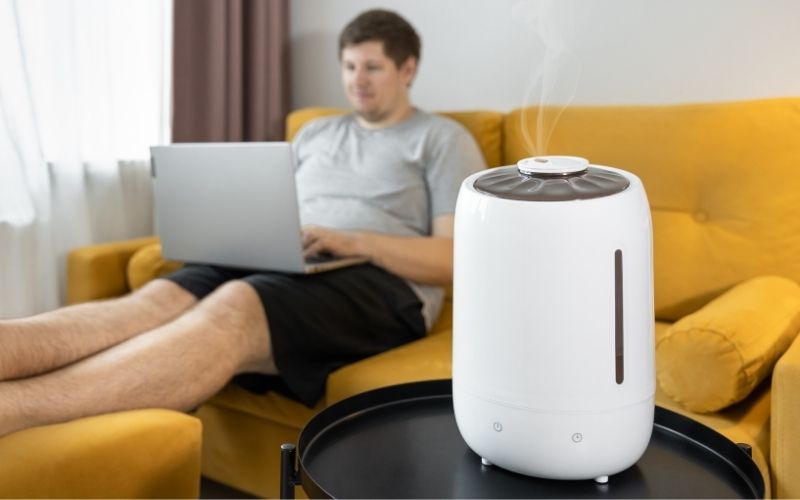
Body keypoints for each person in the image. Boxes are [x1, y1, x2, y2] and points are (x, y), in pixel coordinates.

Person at [0, 9, 485, 436]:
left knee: (236, 303)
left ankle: (16, 409)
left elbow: (453, 258)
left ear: (408, 69)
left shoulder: (441, 139)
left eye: (373, 67)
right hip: (294, 262)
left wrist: (352, 240)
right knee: (153, 300)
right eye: (349, 66)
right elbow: (274, 205)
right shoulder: (315, 131)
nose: (358, 79)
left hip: (382, 285)